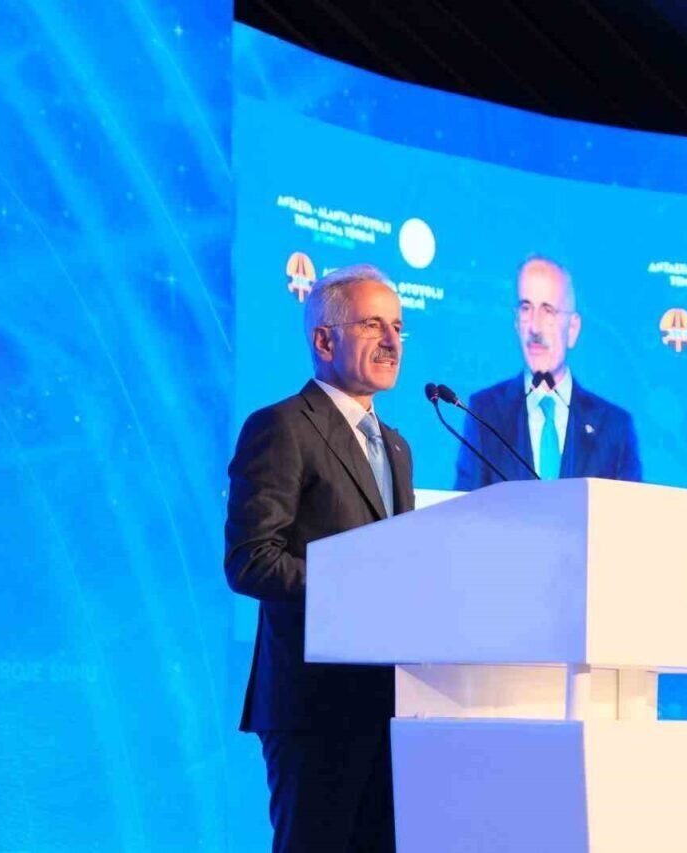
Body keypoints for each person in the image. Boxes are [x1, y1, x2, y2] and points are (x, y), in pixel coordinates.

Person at [225, 264, 412, 852]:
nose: (391, 341)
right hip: (313, 706)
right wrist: (355, 588)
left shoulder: (398, 446)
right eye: (373, 325)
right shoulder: (281, 428)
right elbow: (251, 559)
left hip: (392, 704)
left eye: (398, 326)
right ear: (324, 340)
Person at [455, 255, 641, 489]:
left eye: (548, 311)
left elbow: (630, 511)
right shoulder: (484, 414)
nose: (535, 327)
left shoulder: (614, 428)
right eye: (526, 309)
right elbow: (465, 506)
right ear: (516, 323)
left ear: (572, 329)